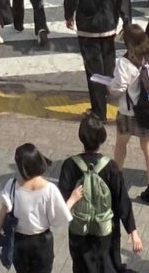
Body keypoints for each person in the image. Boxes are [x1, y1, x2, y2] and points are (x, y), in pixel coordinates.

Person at [57, 113, 143, 273]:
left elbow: (61, 201)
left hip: (79, 230)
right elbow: (121, 200)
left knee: (81, 266)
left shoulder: (69, 165)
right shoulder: (111, 167)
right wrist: (133, 231)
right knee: (107, 265)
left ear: (81, 137)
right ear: (102, 138)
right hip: (106, 231)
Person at [64, 0, 131, 118]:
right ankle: (109, 92)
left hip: (87, 26)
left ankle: (99, 110)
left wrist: (69, 15)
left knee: (93, 69)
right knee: (108, 61)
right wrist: (127, 22)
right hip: (108, 24)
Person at [0, 142, 77, 273]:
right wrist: (73, 199)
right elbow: (59, 216)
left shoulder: (12, 186)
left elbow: (2, 214)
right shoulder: (50, 189)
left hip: (19, 243)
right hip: (42, 243)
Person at [108, 24, 149, 208]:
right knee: (148, 147)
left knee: (121, 145)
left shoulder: (124, 62)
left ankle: (116, 182)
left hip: (128, 112)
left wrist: (108, 87)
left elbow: (118, 88)